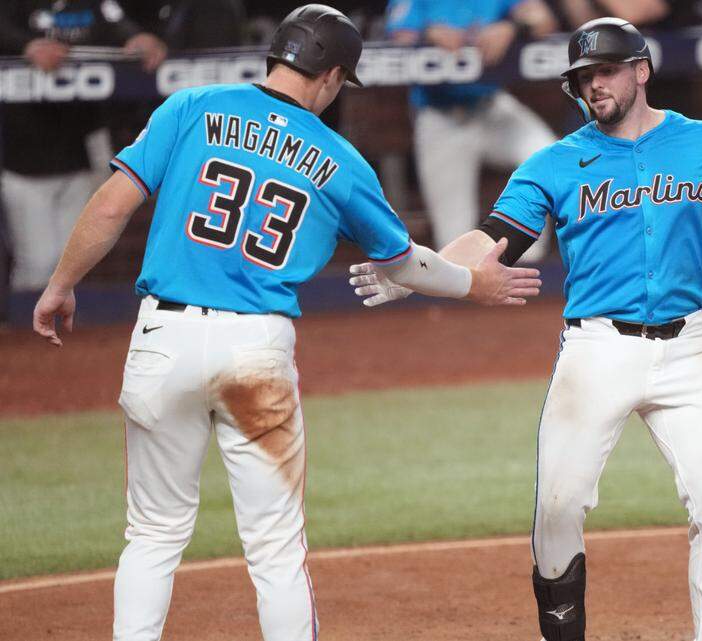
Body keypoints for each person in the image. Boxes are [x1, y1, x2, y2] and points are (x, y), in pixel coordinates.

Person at [31, 6, 540, 641]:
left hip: (164, 341)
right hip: (256, 353)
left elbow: (110, 206)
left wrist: (60, 284)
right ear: (330, 76)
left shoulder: (190, 108)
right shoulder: (340, 158)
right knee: (274, 550)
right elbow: (406, 264)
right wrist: (475, 283)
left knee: (154, 535)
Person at [350, 18, 702, 641]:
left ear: (641, 70)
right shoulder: (556, 162)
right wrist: (419, 272)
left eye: (604, 72)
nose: (592, 87)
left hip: (688, 349)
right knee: (558, 508)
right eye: (581, 79)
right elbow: (494, 239)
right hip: (596, 351)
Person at [0, 1, 167, 291]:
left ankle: (51, 330)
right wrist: (28, 46)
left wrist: (137, 37)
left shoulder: (94, 4)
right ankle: (20, 331)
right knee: (37, 262)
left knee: (69, 261)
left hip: (79, 159)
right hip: (23, 163)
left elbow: (118, 23)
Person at [385, 0, 559, 261]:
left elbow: (543, 19)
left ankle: (527, 255)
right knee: (454, 251)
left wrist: (513, 26)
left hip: (490, 108)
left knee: (546, 154)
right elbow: (398, 36)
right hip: (441, 117)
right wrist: (428, 34)